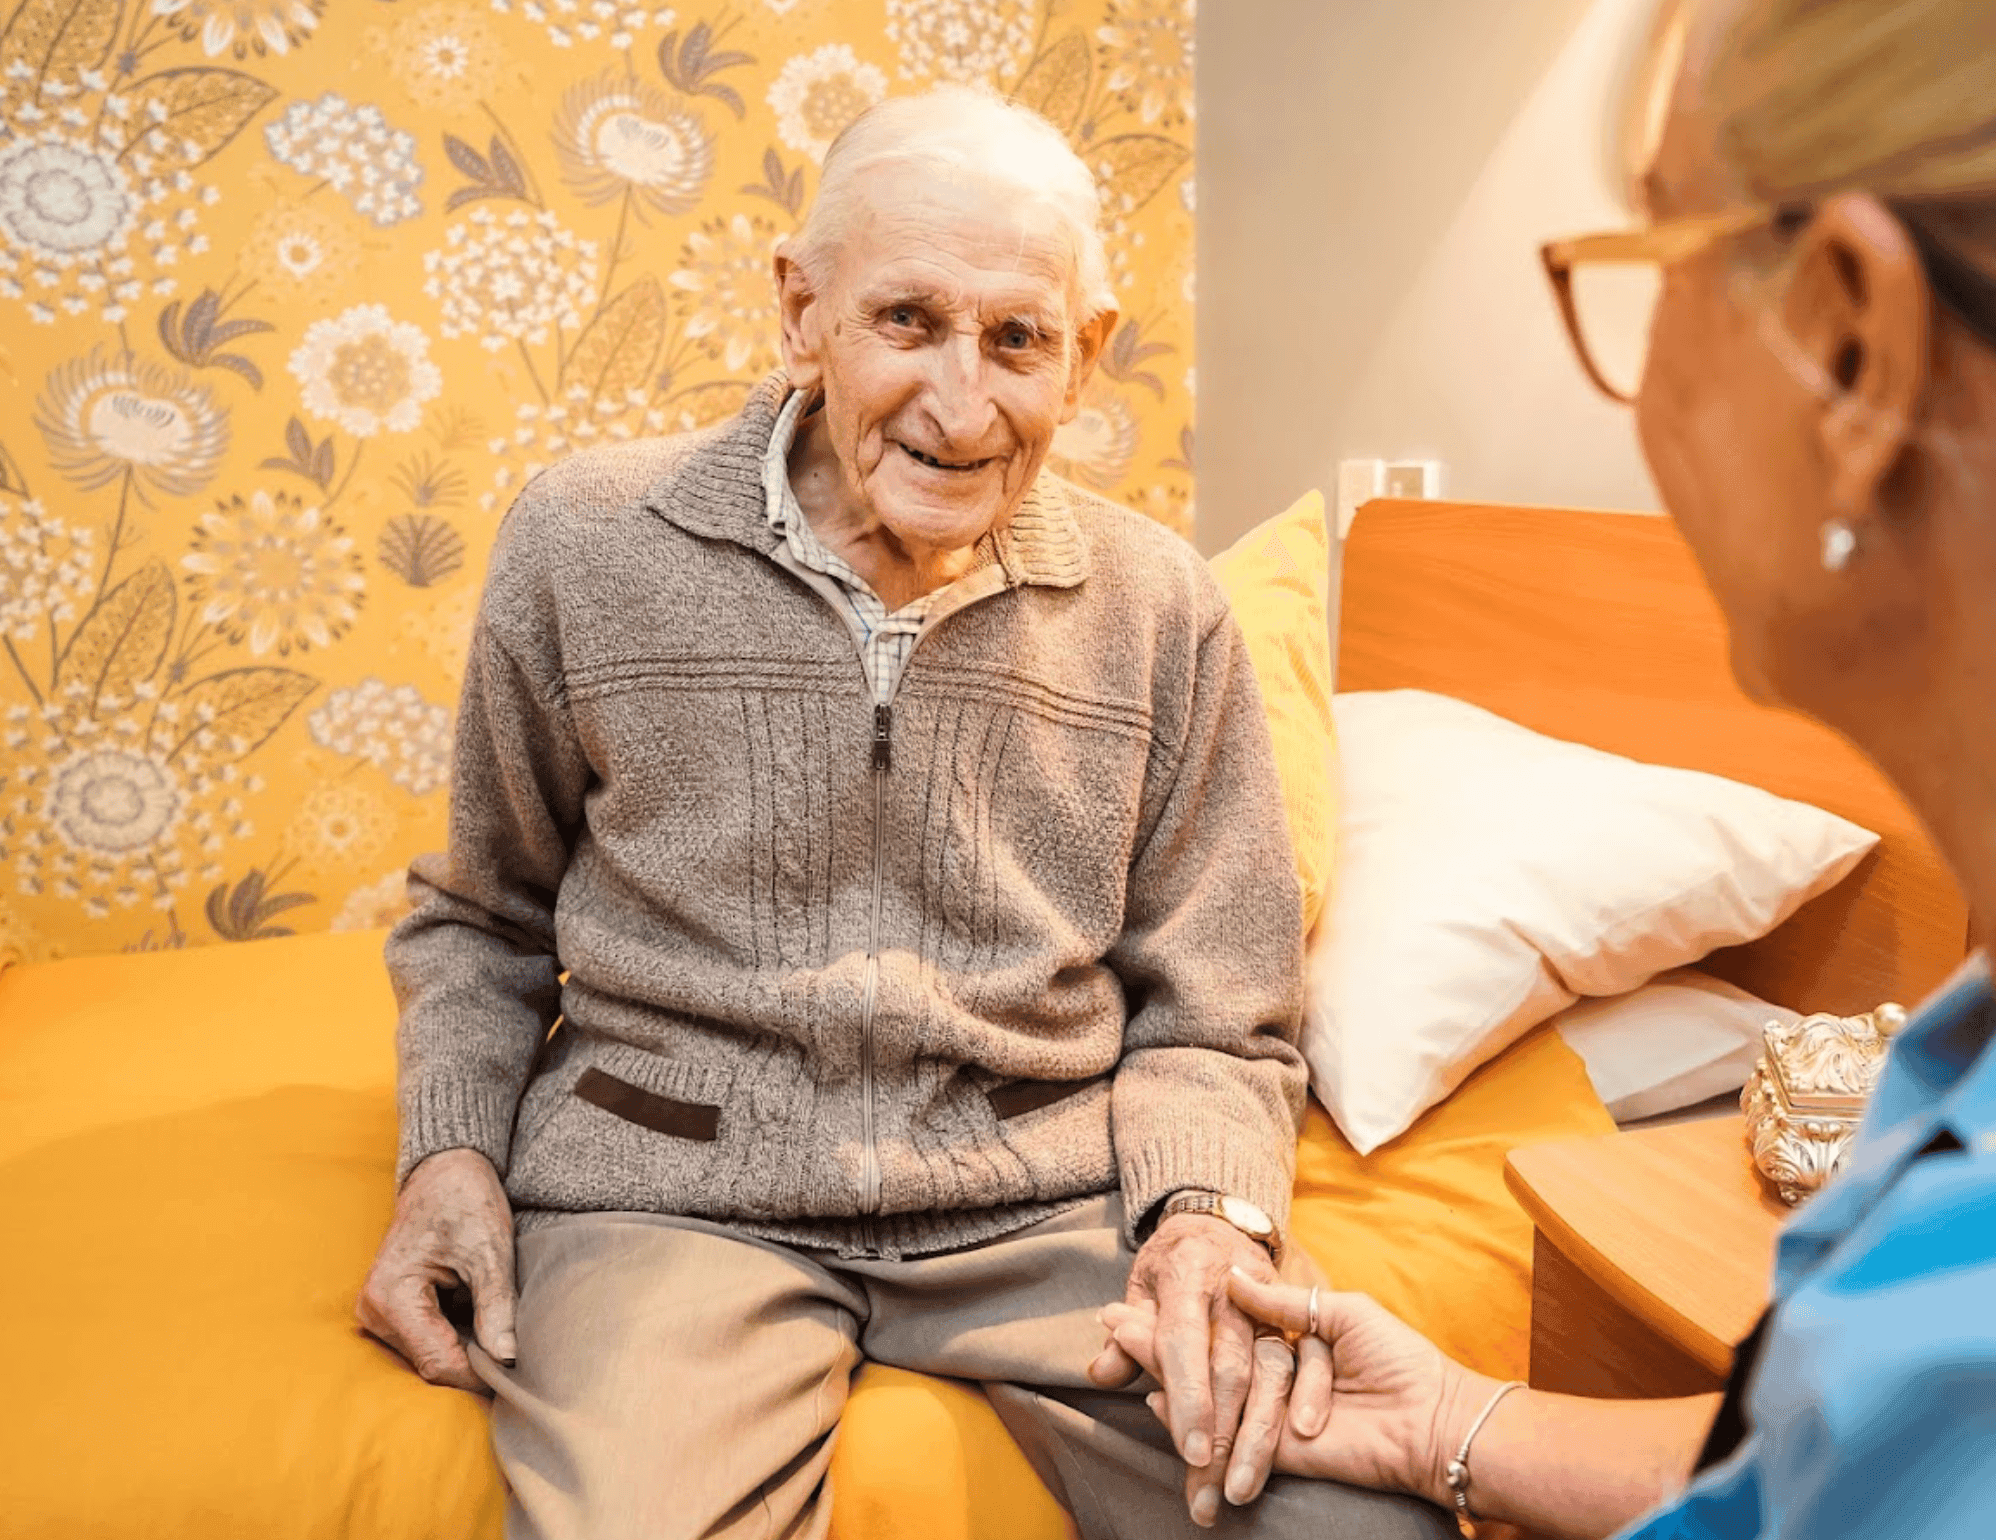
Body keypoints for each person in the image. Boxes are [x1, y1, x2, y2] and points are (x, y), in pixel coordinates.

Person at [355, 84, 1455, 1540]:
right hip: (672, 1191)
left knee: (1355, 1525)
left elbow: (1218, 1011)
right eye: (906, 322)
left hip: (1052, 1207)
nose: (960, 399)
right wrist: (447, 1155)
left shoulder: (1160, 612)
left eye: (1017, 338)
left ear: (1089, 358)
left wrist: (1209, 1216)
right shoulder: (585, 543)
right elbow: (483, 920)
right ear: (800, 313)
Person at [1098, 0, 1996, 1536]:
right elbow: (1816, 1455)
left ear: (1854, 342)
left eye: (1655, 273)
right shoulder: (1955, 1059)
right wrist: (1454, 1419)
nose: (1635, 395)